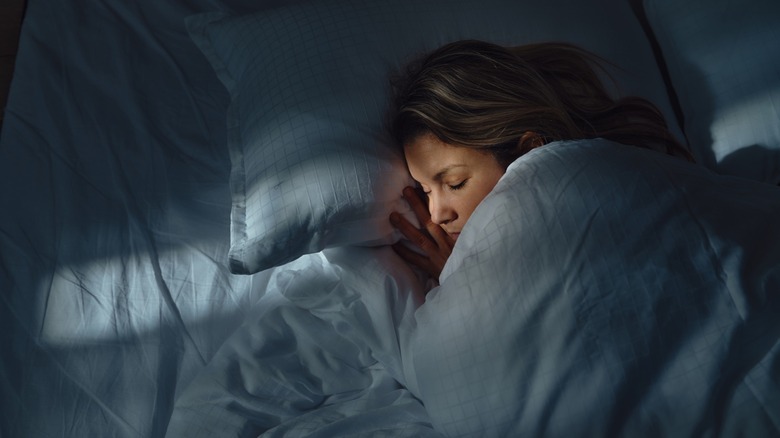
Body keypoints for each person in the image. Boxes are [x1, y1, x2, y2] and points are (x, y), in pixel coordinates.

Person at [387, 39, 693, 282]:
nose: (436, 214)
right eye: (425, 189)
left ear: (527, 151)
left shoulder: (620, 183)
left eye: (456, 183)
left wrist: (461, 285)